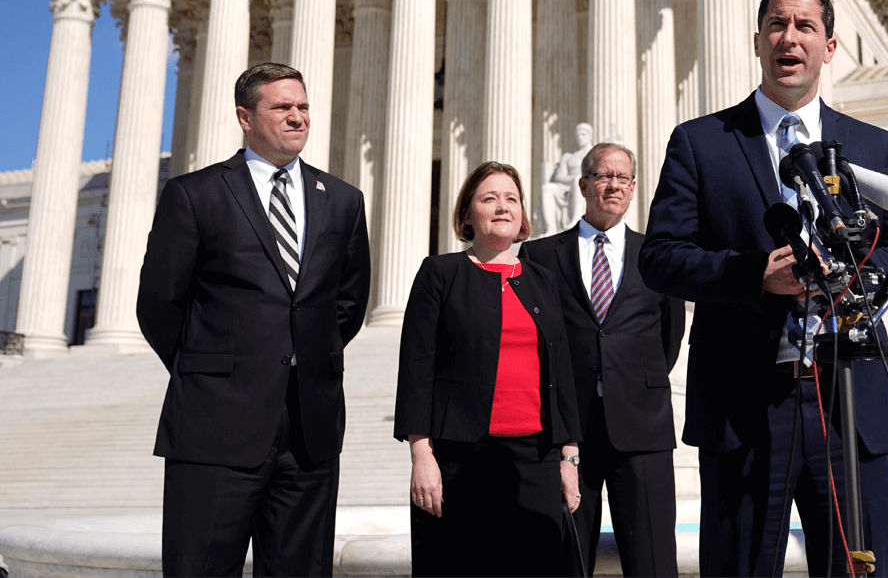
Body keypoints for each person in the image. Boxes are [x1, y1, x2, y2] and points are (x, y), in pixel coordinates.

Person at [640, 0, 888, 578]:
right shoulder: (701, 143)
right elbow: (660, 257)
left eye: (805, 26)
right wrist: (752, 275)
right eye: (777, 25)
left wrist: (854, 279)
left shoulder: (874, 146)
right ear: (759, 40)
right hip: (745, 406)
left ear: (829, 47)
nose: (789, 38)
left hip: (849, 403)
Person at [136, 62, 372, 577]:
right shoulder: (195, 194)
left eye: (303, 107)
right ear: (245, 117)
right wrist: (209, 369)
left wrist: (312, 356)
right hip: (215, 423)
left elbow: (349, 303)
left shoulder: (343, 201)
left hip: (310, 429)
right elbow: (159, 302)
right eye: (282, 107)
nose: (297, 117)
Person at [395, 162, 583, 577]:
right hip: (461, 461)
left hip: (535, 459)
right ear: (466, 214)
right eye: (489, 198)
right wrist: (422, 456)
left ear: (522, 218)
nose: (503, 206)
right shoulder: (440, 273)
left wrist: (569, 458)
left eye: (511, 199)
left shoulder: (542, 279)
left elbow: (561, 371)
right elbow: (416, 367)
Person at [520, 143, 686, 577]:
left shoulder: (656, 254)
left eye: (623, 178)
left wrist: (628, 380)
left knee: (653, 562)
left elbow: (669, 337)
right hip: (568, 433)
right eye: (603, 176)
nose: (614, 185)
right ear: (583, 184)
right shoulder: (539, 257)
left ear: (633, 189)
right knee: (565, 562)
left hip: (643, 429)